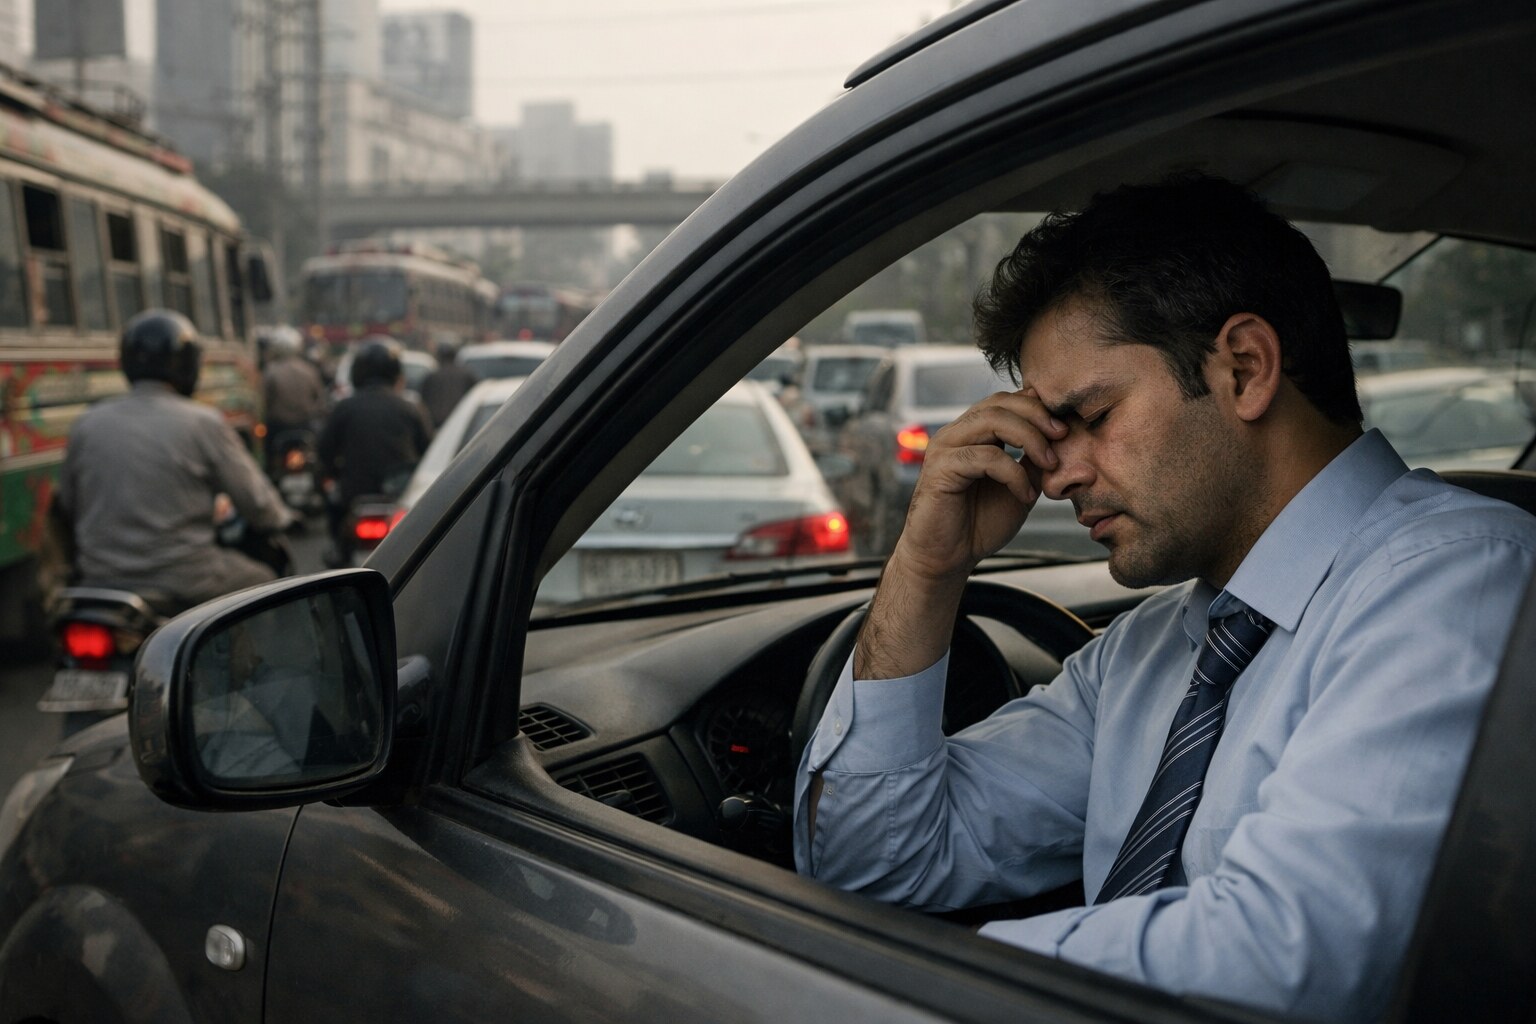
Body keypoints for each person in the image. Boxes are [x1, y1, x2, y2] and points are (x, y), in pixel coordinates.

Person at [793, 175, 1536, 1021]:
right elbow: (871, 864)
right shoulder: (1148, 652)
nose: (1056, 474)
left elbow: (1297, 960)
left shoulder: (1460, 579)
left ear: (1245, 369)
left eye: (1091, 416)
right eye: (1046, 434)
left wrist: (902, 982)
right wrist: (930, 567)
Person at [52, 310, 295, 614]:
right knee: (265, 579)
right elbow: (258, 505)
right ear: (189, 365)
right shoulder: (204, 422)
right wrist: (283, 518)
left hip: (99, 581)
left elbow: (68, 505)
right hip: (186, 579)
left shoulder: (86, 424)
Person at [318, 336, 432, 565]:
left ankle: (337, 549)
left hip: (353, 496)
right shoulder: (411, 408)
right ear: (397, 374)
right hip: (401, 495)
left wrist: (329, 477)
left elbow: (324, 452)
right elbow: (429, 455)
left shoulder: (344, 408)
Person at [261, 325, 327, 439]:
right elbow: (318, 398)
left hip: (279, 426)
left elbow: (266, 401)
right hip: (306, 425)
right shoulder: (308, 370)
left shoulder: (270, 371)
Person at [417, 339, 479, 429]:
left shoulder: (431, 377)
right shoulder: (467, 375)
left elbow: (423, 404)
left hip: (437, 425)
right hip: (462, 425)